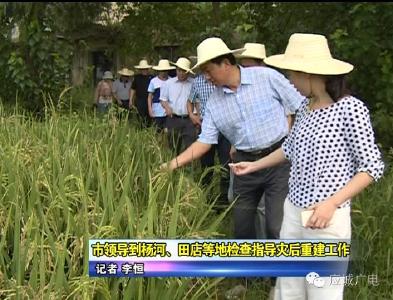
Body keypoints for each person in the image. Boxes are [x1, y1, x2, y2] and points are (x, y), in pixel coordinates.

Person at [229, 33, 385, 300]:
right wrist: (252, 166)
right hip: (293, 212)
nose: (290, 81)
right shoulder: (304, 108)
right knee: (288, 287)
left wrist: (331, 203)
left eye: (292, 74)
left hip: (326, 219)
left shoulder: (351, 109)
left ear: (309, 74)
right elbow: (289, 149)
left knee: (323, 292)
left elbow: (371, 167)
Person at [161, 37, 304, 242]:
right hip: (243, 166)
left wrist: (298, 143)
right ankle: (248, 274)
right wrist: (172, 164)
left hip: (278, 161)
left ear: (226, 63)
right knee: (242, 229)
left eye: (209, 71)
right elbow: (205, 142)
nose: (206, 77)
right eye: (203, 73)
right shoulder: (213, 103)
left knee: (276, 226)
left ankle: (275, 273)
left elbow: (301, 107)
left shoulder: (267, 77)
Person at [187, 71, 231, 210]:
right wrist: (191, 115)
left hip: (225, 128)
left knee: (226, 164)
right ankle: (206, 198)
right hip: (206, 126)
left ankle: (223, 199)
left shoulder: (224, 79)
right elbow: (190, 100)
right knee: (206, 165)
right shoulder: (197, 82)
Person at [160, 57, 196, 155]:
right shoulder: (169, 83)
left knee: (190, 146)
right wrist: (167, 108)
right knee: (173, 145)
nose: (180, 73)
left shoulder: (194, 83)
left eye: (183, 71)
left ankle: (189, 167)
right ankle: (174, 166)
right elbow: (163, 99)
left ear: (188, 72)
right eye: (178, 70)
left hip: (189, 119)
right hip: (173, 118)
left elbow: (198, 100)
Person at [147, 59, 175, 132]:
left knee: (168, 131)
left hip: (169, 110)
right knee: (157, 130)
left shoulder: (172, 80)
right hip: (157, 110)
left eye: (165, 70)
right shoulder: (153, 81)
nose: (164, 72)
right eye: (162, 70)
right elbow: (150, 96)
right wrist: (150, 109)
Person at [130, 59, 154, 127]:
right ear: (140, 69)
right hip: (139, 100)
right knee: (140, 117)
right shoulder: (136, 77)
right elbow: (133, 89)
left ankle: (149, 128)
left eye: (146, 69)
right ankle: (141, 129)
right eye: (143, 69)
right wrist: (130, 100)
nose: (144, 70)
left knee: (149, 116)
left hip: (149, 100)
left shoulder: (152, 77)